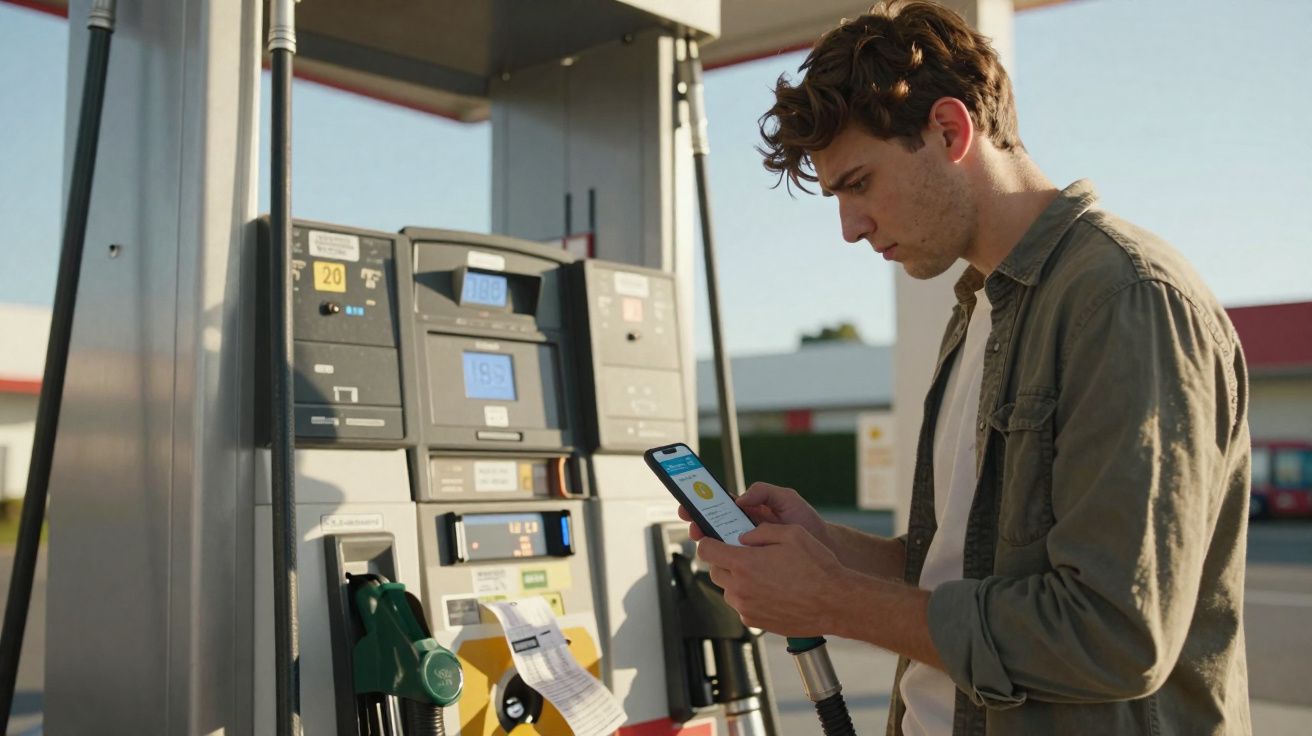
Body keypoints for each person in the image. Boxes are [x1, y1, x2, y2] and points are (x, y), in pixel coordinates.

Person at [680, 2, 1252, 734]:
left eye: (859, 184)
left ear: (950, 131)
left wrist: (832, 601)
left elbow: (1114, 634)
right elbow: (966, 574)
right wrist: (831, 553)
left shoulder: (1123, 300)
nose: (849, 228)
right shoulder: (979, 306)